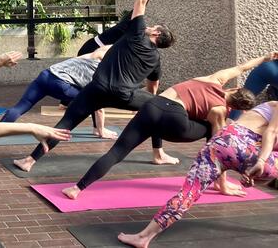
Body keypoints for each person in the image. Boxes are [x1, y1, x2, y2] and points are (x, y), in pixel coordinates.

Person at [15, 0, 176, 172]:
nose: (149, 26)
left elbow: (140, 0)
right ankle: (159, 154)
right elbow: (153, 88)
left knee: (67, 123)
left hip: (97, 88)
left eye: (153, 26)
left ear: (155, 33)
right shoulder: (155, 59)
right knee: (157, 106)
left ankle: (30, 161)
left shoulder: (136, 34)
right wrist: (146, 104)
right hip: (125, 95)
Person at [62, 53, 276, 200]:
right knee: (213, 133)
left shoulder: (214, 79)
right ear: (237, 108)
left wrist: (264, 58)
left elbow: (242, 67)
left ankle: (76, 188)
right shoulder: (219, 112)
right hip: (175, 122)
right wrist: (223, 181)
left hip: (150, 107)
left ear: (236, 87)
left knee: (117, 152)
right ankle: (220, 184)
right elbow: (217, 149)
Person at [116, 100, 278, 248]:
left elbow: (270, 132)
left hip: (222, 143)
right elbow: (267, 142)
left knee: (189, 193)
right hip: (252, 154)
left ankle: (144, 237)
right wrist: (258, 166)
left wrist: (258, 164)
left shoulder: (274, 104)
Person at [0, 46, 118, 139]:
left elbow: (113, 47)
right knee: (94, 101)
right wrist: (102, 130)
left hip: (45, 75)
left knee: (20, 107)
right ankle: (100, 130)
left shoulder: (97, 53)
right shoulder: (102, 70)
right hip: (59, 84)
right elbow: (98, 106)